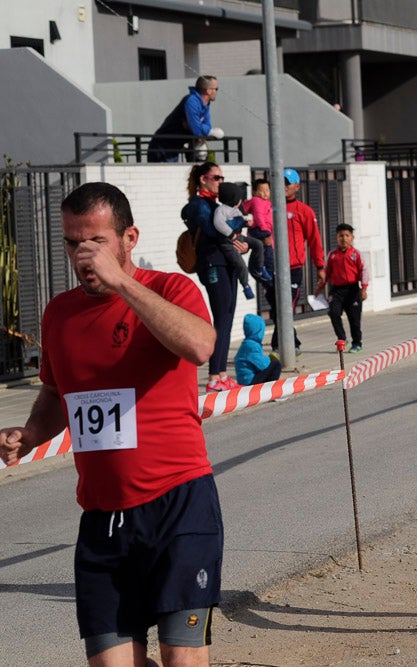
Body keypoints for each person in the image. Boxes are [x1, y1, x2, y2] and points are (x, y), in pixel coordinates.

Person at [0, 182, 224, 666]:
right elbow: (57, 392)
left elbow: (201, 346)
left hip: (179, 503)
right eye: (71, 242)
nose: (83, 254)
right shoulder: (60, 313)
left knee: (182, 659)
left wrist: (123, 284)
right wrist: (32, 432)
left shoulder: (170, 289)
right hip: (103, 516)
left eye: (96, 241)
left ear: (129, 238)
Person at [182, 162, 246, 392]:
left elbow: (228, 232)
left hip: (226, 262)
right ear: (203, 179)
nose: (221, 181)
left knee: (227, 318)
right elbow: (214, 231)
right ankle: (212, 378)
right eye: (216, 177)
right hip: (212, 264)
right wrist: (240, 221)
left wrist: (242, 243)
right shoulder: (198, 205)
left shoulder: (216, 204)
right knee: (220, 318)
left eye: (221, 177)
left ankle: (221, 373)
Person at [265, 168, 326, 355]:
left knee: (286, 306)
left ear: (297, 186)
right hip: (271, 268)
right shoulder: (269, 208)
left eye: (287, 183)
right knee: (276, 308)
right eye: (279, 182)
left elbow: (315, 240)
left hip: (293, 269)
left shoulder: (304, 211)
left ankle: (279, 347)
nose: (282, 186)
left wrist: (320, 266)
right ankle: (294, 342)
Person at [316, 223, 368, 353]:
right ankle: (342, 339)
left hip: (353, 290)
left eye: (346, 236)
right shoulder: (333, 255)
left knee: (354, 319)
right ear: (336, 238)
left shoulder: (356, 255)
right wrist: (320, 287)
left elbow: (364, 271)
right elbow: (327, 273)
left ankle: (357, 343)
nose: (343, 238)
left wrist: (364, 289)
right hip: (337, 290)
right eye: (341, 236)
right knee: (333, 313)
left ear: (352, 238)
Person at [213, 181, 271, 300]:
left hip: (239, 237)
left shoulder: (234, 209)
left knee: (258, 244)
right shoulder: (221, 210)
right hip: (228, 242)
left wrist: (246, 223)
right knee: (241, 264)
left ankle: (260, 268)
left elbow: (239, 221)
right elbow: (219, 224)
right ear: (233, 198)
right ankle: (246, 286)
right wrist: (231, 234)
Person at [148, 75, 223, 163]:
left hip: (172, 148)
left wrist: (196, 126)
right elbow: (197, 130)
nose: (217, 91)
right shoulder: (192, 101)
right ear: (208, 90)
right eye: (216, 89)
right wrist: (209, 131)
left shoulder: (205, 105)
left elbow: (206, 125)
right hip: (162, 148)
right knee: (168, 175)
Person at [234, 313, 282, 386]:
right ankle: (271, 389)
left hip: (245, 379)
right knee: (276, 364)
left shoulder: (248, 343)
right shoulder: (252, 346)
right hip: (249, 382)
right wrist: (270, 359)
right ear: (259, 331)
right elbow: (263, 364)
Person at [243, 178, 274, 280]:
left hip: (263, 229)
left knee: (262, 249)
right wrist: (265, 229)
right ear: (254, 192)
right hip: (259, 229)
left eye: (267, 190)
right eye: (262, 190)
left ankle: (261, 268)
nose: (265, 193)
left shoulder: (266, 202)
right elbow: (258, 216)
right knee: (267, 249)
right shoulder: (257, 201)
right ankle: (265, 270)